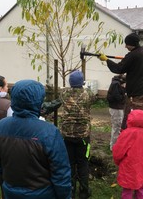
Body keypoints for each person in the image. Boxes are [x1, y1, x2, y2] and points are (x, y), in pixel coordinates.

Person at [0, 79, 71, 199]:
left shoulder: (0, 127)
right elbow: (61, 173)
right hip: (42, 194)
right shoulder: (49, 132)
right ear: (38, 101)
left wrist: (10, 183)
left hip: (11, 192)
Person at [98, 32, 143, 130]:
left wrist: (106, 60)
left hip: (138, 95)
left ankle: (133, 140)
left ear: (131, 44)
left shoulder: (132, 56)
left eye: (126, 44)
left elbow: (118, 69)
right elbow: (142, 58)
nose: (125, 46)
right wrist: (131, 62)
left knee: (135, 121)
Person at [60, 70, 95, 199]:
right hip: (83, 137)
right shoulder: (88, 94)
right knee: (83, 163)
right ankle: (84, 192)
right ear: (82, 82)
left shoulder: (63, 93)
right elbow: (92, 100)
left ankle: (71, 190)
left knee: (69, 163)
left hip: (67, 135)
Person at [112, 109, 143, 199]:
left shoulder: (127, 133)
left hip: (129, 167)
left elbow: (118, 151)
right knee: (140, 186)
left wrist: (117, 161)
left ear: (130, 119)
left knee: (127, 189)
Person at [106, 74, 126, 151]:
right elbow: (117, 97)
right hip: (116, 108)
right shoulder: (116, 84)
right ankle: (114, 147)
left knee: (117, 127)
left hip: (117, 108)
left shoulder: (116, 83)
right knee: (117, 127)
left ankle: (114, 145)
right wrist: (124, 95)